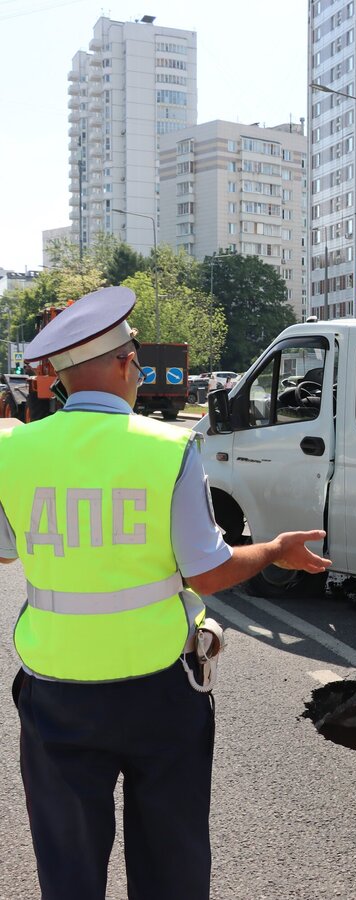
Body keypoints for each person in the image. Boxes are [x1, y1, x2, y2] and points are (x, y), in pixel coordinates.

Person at [0, 286, 331, 900]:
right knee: (170, 862)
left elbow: (5, 548)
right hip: (159, 687)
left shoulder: (11, 450)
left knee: (68, 869)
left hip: (54, 690)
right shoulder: (168, 447)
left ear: (64, 377)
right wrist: (275, 551)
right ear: (126, 365)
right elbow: (206, 573)